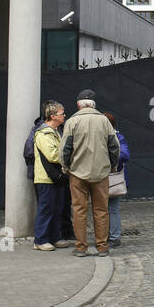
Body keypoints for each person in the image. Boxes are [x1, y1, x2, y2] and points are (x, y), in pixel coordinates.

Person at [59, 88, 120, 257]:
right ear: (94, 105)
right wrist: (112, 166)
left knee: (79, 210)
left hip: (78, 173)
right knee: (101, 210)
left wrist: (66, 167)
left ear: (79, 105)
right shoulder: (104, 121)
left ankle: (81, 247)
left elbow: (65, 149)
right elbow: (114, 147)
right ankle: (102, 247)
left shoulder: (72, 122)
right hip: (101, 173)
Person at [29, 101, 71, 251]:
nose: (64, 115)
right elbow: (53, 155)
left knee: (58, 208)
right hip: (46, 178)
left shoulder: (56, 132)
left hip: (56, 177)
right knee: (46, 209)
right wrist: (69, 156)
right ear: (53, 116)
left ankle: (54, 237)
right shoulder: (43, 133)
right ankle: (40, 240)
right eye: (62, 113)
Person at [103, 111, 130, 249]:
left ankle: (113, 237)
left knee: (112, 208)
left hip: (111, 178)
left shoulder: (118, 137)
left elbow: (124, 155)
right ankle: (106, 236)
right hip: (101, 178)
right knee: (103, 209)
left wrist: (106, 158)